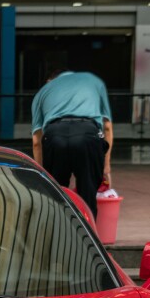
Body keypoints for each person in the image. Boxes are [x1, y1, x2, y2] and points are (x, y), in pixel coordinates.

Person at [31, 70, 113, 211]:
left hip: (54, 135)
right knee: (88, 197)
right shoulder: (93, 81)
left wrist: (42, 174)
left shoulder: (42, 93)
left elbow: (36, 141)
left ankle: (57, 230)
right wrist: (106, 167)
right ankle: (87, 230)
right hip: (88, 134)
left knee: (54, 196)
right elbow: (107, 126)